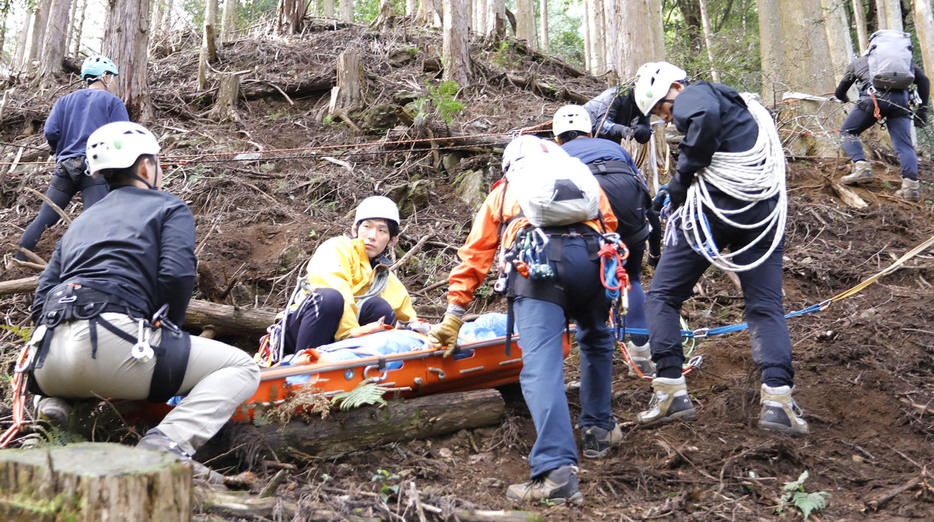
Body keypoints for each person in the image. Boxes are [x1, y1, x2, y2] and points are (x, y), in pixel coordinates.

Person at [28, 121, 260, 478]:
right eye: (157, 160)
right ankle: (165, 445)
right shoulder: (169, 207)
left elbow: (43, 293)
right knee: (241, 367)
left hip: (44, 365)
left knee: (88, 362)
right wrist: (169, 327)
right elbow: (177, 275)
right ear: (144, 165)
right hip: (111, 345)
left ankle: (56, 402)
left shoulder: (82, 219)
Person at [428, 135, 621, 505]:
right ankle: (598, 430)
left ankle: (556, 472)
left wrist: (455, 313)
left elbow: (476, 255)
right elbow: (609, 223)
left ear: (510, 164)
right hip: (595, 261)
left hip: (537, 265)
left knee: (541, 366)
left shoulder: (505, 190)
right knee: (596, 340)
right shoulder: (582, 178)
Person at [632, 62, 808, 435]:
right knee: (765, 306)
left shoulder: (697, 94)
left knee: (662, 297)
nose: (669, 118)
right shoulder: (744, 109)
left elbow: (703, 115)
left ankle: (670, 394)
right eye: (663, 115)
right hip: (762, 210)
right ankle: (778, 401)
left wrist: (681, 180)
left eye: (664, 108)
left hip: (714, 208)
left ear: (675, 87)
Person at [552, 104, 661, 377]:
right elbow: (645, 195)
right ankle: (641, 351)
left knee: (593, 282)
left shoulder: (555, 155)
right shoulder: (614, 148)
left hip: (592, 218)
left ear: (557, 138)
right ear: (590, 132)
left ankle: (597, 353)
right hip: (631, 210)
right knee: (632, 277)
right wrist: (654, 248)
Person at [16, 55, 130, 261]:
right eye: (112, 77)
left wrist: (57, 150)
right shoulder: (113, 102)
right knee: (95, 220)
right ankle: (83, 263)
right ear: (104, 77)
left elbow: (51, 131)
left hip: (65, 167)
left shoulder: (64, 101)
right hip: (96, 169)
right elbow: (122, 135)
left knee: (44, 218)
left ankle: (19, 258)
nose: (114, 82)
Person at [276, 196, 419, 358]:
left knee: (381, 309)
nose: (372, 236)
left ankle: (360, 369)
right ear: (354, 230)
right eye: (366, 227)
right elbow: (334, 285)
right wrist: (351, 333)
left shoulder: (385, 279)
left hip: (340, 342)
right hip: (300, 331)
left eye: (381, 230)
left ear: (392, 240)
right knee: (329, 298)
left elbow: (410, 321)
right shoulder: (335, 248)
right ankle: (304, 365)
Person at [834, 34, 929, 202]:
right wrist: (923, 108)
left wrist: (843, 99)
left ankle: (861, 166)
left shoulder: (858, 62)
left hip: (873, 99)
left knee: (848, 131)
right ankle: (910, 187)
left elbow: (840, 92)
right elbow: (924, 81)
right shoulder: (905, 65)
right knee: (905, 146)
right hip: (901, 102)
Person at [583, 83, 653, 144]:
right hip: (587, 130)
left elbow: (645, 131)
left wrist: (640, 130)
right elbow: (602, 124)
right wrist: (621, 130)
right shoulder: (615, 95)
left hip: (610, 139)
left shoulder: (646, 102)